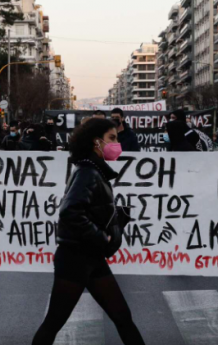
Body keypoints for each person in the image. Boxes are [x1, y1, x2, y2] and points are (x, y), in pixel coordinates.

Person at [32, 118, 144, 345]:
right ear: (96, 142)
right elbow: (70, 211)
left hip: (91, 256)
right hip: (76, 257)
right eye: (111, 138)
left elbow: (87, 211)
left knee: (122, 316)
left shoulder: (94, 170)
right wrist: (102, 237)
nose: (116, 143)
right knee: (54, 321)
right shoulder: (88, 172)